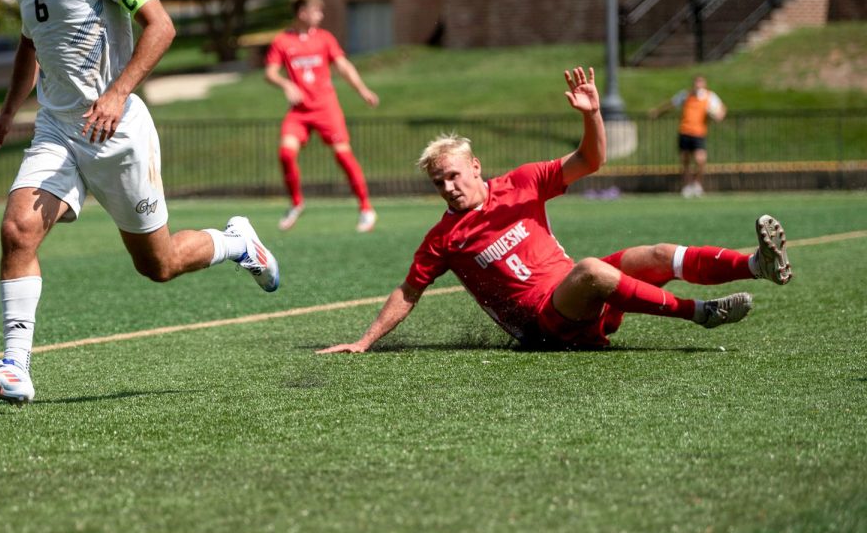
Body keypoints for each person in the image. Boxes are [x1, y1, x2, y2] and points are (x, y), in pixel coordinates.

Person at [0, 0, 280, 405]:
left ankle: (235, 243)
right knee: (18, 229)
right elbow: (29, 48)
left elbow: (162, 27)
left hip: (118, 135)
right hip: (57, 130)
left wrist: (116, 94)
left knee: (157, 266)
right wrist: (6, 112)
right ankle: (16, 367)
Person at [317, 67, 792, 354]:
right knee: (590, 270)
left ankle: (756, 264)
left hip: (577, 298)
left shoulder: (522, 182)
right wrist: (365, 341)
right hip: (546, 327)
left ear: (476, 167)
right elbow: (408, 291)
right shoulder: (444, 239)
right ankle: (700, 313)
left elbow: (591, 161)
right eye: (439, 181)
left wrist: (591, 114)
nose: (448, 187)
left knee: (656, 253)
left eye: (454, 175)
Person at [264, 0, 379, 233]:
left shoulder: (325, 38)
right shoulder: (282, 41)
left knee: (343, 156)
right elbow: (270, 73)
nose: (321, 15)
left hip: (326, 108)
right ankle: (296, 203)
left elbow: (344, 66)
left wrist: (363, 90)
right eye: (316, 11)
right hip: (299, 112)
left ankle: (366, 209)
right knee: (286, 153)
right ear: (302, 13)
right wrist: (287, 84)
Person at [650, 75, 726, 197]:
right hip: (685, 131)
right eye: (696, 83)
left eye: (700, 83)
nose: (698, 85)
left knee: (700, 160)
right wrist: (658, 112)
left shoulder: (710, 96)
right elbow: (671, 104)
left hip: (699, 133)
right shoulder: (685, 95)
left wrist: (719, 115)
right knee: (685, 161)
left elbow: (722, 109)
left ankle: (697, 184)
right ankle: (687, 186)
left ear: (704, 84)